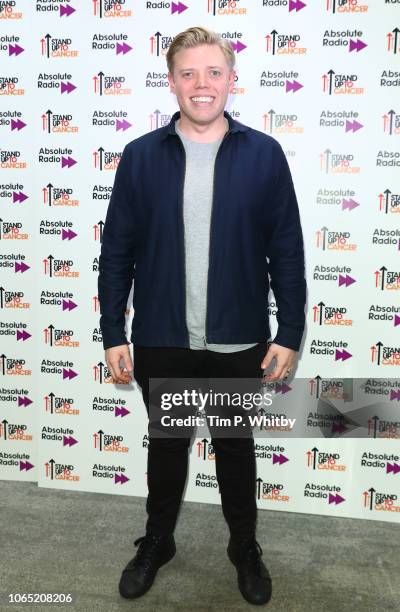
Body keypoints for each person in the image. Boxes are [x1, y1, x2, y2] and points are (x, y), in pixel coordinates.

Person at [98, 26, 306, 607]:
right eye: (188, 73)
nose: (202, 84)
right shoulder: (140, 157)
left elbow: (286, 248)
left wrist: (289, 332)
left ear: (232, 81)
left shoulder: (264, 154)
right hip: (162, 338)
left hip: (239, 340)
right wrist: (114, 330)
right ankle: (157, 541)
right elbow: (116, 250)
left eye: (213, 72)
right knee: (166, 449)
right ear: (171, 83)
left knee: (237, 450)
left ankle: (244, 546)